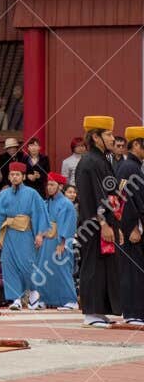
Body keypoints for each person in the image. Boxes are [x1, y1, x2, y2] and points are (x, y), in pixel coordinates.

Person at [73, 116, 124, 327]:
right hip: (93, 224)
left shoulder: (103, 159)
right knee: (92, 266)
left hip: (104, 222)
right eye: (109, 134)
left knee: (105, 267)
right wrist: (103, 223)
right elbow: (92, 197)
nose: (113, 138)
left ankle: (100, 310)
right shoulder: (89, 162)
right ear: (96, 137)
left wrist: (115, 224)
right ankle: (91, 313)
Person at [0, 161, 44, 310]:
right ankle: (15, 298)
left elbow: (39, 214)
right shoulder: (3, 195)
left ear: (23, 176)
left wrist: (39, 234)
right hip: (9, 233)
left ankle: (34, 291)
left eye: (18, 175)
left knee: (27, 265)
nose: (15, 177)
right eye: (12, 174)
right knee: (9, 265)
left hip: (26, 233)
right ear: (8, 177)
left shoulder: (32, 194)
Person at [31, 172, 77, 309]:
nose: (49, 187)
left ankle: (71, 300)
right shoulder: (46, 202)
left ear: (60, 186)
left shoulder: (66, 204)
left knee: (62, 270)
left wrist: (62, 242)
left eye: (52, 185)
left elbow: (66, 223)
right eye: (48, 185)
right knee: (44, 269)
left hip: (60, 240)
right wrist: (39, 235)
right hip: (47, 241)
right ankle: (45, 299)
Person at [118, 125, 144, 325]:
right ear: (136, 144)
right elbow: (124, 200)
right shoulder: (129, 168)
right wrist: (132, 227)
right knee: (133, 270)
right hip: (133, 226)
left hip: (136, 224)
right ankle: (133, 312)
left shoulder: (134, 166)